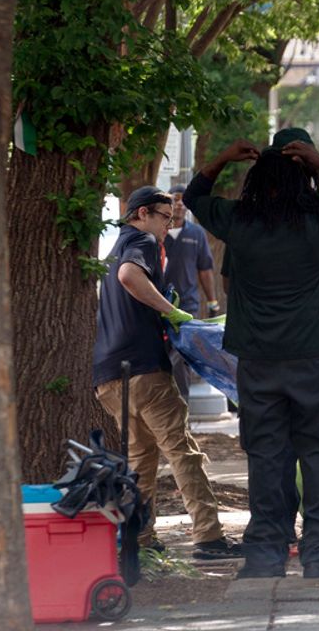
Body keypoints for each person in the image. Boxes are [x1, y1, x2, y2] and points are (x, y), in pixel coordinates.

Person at [184, 128, 319, 578]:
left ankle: (265, 553)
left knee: (267, 456)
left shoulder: (239, 221)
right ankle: (318, 555)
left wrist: (223, 157)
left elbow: (194, 197)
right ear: (307, 174)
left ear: (259, 176)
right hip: (316, 356)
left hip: (257, 361)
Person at [92, 185, 240, 560]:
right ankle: (209, 538)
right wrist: (169, 310)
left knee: (140, 459)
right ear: (141, 213)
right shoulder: (140, 242)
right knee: (183, 452)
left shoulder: (114, 248)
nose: (168, 226)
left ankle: (140, 539)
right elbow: (130, 276)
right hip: (144, 369)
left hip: (109, 377)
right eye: (164, 217)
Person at [164, 184, 219, 398]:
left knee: (181, 355)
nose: (179, 204)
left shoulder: (196, 233)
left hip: (187, 306)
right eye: (175, 199)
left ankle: (182, 407)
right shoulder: (158, 232)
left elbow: (205, 270)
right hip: (157, 303)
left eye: (183, 200)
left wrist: (212, 302)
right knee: (160, 355)